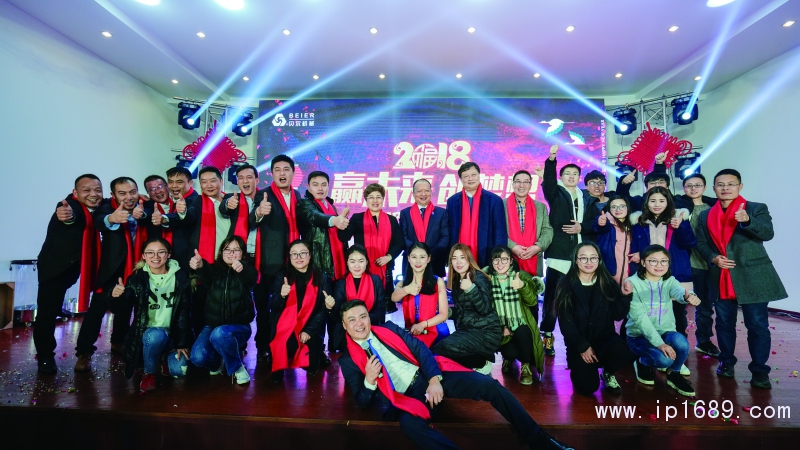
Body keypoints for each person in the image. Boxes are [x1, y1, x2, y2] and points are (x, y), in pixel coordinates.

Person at [338, 300, 573, 450]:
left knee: (489, 385)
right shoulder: (348, 361)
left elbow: (420, 350)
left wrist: (433, 380)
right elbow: (362, 401)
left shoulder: (388, 329)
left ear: (369, 317)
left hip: (430, 375)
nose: (359, 323)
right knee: (409, 426)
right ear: (344, 325)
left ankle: (538, 439)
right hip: (408, 398)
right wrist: (369, 381)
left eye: (363, 316)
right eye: (352, 319)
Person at [695, 169, 787, 389]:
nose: (725, 188)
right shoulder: (705, 215)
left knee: (757, 326)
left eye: (731, 184)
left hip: (753, 275)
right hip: (721, 275)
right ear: (714, 188)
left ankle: (760, 372)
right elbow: (701, 243)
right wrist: (713, 257)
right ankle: (726, 362)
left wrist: (747, 221)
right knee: (724, 323)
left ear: (740, 186)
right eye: (720, 184)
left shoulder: (755, 208)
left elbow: (767, 233)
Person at [74, 177, 147, 372]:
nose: (128, 197)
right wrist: (112, 219)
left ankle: (118, 342)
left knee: (126, 308)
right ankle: (84, 352)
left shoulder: (144, 205)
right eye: (122, 193)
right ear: (113, 195)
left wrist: (144, 214)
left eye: (132, 192)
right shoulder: (106, 207)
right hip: (112, 269)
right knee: (97, 309)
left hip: (139, 268)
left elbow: (152, 216)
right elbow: (100, 221)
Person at [533, 145, 598, 356]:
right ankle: (547, 334)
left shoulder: (585, 197)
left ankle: (580, 338)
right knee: (553, 298)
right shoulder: (556, 193)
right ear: (561, 177)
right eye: (567, 173)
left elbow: (592, 223)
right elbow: (549, 181)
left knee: (580, 298)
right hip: (559, 254)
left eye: (575, 174)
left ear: (579, 178)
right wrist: (551, 159)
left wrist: (582, 228)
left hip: (582, 255)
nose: (571, 176)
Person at [34, 174, 103, 374]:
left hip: (78, 266)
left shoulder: (99, 207)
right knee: (47, 314)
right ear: (75, 192)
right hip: (55, 267)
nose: (93, 194)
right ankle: (45, 357)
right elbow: (71, 217)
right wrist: (68, 216)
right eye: (86, 190)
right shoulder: (69, 206)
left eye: (97, 190)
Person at [629, 187, 696, 378]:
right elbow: (636, 247)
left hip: (676, 273)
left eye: (661, 201)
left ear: (668, 202)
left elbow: (690, 243)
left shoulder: (678, 219)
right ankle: (649, 355)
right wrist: (640, 255)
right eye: (653, 201)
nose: (657, 204)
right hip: (648, 277)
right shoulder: (639, 222)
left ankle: (678, 360)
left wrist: (681, 226)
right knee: (647, 315)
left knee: (678, 317)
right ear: (646, 203)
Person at [110, 238, 191, 392]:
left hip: (173, 334)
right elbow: (121, 309)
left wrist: (182, 343)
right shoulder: (136, 279)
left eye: (161, 252)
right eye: (150, 253)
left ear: (168, 254)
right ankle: (149, 373)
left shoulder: (180, 277)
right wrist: (115, 296)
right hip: (149, 334)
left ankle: (164, 358)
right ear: (143, 256)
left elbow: (184, 311)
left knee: (179, 370)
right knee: (156, 335)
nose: (156, 257)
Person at [555, 243, 635, 396]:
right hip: (579, 341)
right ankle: (584, 367)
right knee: (588, 387)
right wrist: (582, 346)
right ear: (575, 260)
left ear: (599, 260)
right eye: (583, 258)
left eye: (593, 258)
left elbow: (617, 315)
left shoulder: (607, 282)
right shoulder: (565, 285)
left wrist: (625, 297)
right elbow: (566, 323)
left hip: (603, 337)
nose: (589, 262)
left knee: (622, 352)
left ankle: (608, 372)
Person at [625, 245, 701, 397]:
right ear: (643, 262)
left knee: (682, 343)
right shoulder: (632, 283)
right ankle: (642, 362)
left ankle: (674, 373)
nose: (659, 265)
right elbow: (640, 319)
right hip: (639, 336)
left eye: (664, 261)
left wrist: (688, 296)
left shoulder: (669, 281)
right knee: (663, 360)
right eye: (653, 261)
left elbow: (679, 292)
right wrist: (660, 344)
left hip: (665, 332)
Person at [250, 155, 303, 360]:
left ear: (293, 173)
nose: (282, 173)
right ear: (271, 173)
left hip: (292, 263)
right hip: (268, 263)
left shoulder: (297, 195)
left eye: (286, 169)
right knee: (265, 309)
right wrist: (259, 212)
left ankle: (286, 346)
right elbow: (251, 221)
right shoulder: (263, 195)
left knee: (287, 308)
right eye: (278, 169)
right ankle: (263, 346)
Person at [188, 236, 257, 385]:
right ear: (221, 252)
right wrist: (200, 265)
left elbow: (250, 277)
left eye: (236, 250)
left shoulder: (248, 271)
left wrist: (242, 268)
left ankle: (237, 367)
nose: (231, 253)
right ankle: (217, 362)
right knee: (197, 357)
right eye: (227, 249)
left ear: (243, 253)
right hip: (213, 325)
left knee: (220, 333)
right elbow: (206, 273)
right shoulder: (214, 271)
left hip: (239, 327)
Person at [430, 244, 502, 374]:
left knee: (442, 348)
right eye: (454, 258)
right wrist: (447, 312)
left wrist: (471, 288)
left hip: (486, 332)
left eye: (462, 257)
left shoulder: (479, 277)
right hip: (469, 330)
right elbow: (464, 310)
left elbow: (484, 308)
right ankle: (478, 359)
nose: (458, 262)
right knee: (438, 348)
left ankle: (481, 363)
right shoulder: (457, 280)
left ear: (469, 258)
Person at [269, 240, 332, 383]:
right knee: (284, 349)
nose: (298, 257)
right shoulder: (282, 277)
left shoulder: (322, 278)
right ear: (289, 257)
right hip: (286, 325)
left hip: (311, 325)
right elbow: (274, 307)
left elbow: (323, 310)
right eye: (294, 254)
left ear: (310, 255)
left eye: (303, 253)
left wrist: (309, 330)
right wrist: (281, 296)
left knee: (312, 367)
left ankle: (316, 355)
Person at [339, 183, 404, 313]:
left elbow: (400, 243)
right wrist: (343, 218)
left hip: (385, 267)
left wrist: (389, 257)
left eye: (378, 197)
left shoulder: (391, 220)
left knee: (382, 308)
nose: (375, 200)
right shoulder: (357, 218)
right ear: (366, 200)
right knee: (362, 306)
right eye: (371, 197)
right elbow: (343, 237)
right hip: (362, 268)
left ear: (383, 199)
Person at [485, 246, 545, 385]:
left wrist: (522, 286)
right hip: (499, 328)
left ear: (511, 261)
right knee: (510, 352)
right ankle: (508, 359)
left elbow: (532, 301)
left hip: (520, 324)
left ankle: (526, 367)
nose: (500, 264)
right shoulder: (487, 279)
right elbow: (485, 309)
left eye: (504, 259)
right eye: (496, 260)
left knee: (524, 332)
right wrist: (501, 328)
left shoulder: (521, 276)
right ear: (491, 261)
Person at [680, 174, 720, 358]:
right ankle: (679, 342)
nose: (693, 188)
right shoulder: (679, 207)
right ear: (684, 189)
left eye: (697, 185)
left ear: (705, 187)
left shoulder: (714, 207)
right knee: (680, 304)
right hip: (687, 262)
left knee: (705, 305)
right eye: (689, 185)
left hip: (709, 262)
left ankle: (704, 341)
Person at [446, 161, 508, 268]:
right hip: (459, 258)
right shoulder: (452, 201)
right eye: (466, 176)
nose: (470, 179)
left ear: (479, 175)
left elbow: (499, 233)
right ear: (460, 179)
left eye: (473, 175)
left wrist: (498, 258)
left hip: (487, 254)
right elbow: (450, 231)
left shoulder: (494, 200)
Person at [390, 243, 449, 348]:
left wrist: (423, 325)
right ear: (408, 258)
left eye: (422, 257)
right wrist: (407, 289)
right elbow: (394, 298)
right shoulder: (402, 284)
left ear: (428, 259)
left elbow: (444, 314)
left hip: (434, 331)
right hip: (413, 331)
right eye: (414, 257)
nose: (418, 261)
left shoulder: (438, 281)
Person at [297, 170, 350, 280]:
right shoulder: (304, 203)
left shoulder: (330, 204)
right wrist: (334, 220)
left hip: (338, 256)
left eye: (324, 185)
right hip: (319, 260)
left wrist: (342, 219)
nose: (320, 188)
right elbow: (314, 216)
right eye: (315, 185)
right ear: (309, 187)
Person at [331, 244, 386, 351]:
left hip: (371, 327)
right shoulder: (340, 284)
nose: (357, 265)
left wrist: (362, 322)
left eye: (361, 261)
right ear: (347, 263)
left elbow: (380, 310)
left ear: (367, 262)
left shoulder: (376, 280)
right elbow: (339, 313)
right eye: (352, 261)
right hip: (348, 331)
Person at [504, 169, 553, 278]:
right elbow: (496, 230)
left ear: (531, 185)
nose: (522, 185)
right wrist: (512, 246)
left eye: (526, 182)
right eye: (518, 181)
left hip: (534, 260)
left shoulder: (540, 207)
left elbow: (547, 230)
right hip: (507, 260)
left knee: (531, 288)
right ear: (513, 184)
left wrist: (538, 247)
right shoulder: (501, 204)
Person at [399, 179, 450, 277]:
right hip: (411, 262)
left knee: (436, 287)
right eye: (419, 191)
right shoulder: (405, 213)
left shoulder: (441, 213)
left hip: (435, 261)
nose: (423, 194)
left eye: (427, 190)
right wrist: (417, 254)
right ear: (413, 194)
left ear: (431, 192)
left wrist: (428, 255)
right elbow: (403, 237)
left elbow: (445, 237)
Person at [157, 167, 198, 269]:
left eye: (179, 182)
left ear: (190, 183)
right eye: (170, 182)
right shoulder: (172, 199)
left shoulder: (195, 200)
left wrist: (164, 219)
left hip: (187, 257)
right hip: (173, 254)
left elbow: (187, 216)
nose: (174, 186)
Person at [219, 164, 261, 258]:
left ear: (257, 180)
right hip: (238, 253)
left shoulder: (266, 199)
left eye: (249, 177)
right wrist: (228, 204)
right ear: (237, 182)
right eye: (241, 178)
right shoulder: (232, 198)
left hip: (262, 252)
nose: (245, 181)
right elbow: (223, 209)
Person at [593, 196, 634, 286]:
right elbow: (600, 227)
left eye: (622, 206)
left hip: (630, 276)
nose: (618, 209)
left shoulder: (633, 226)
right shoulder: (607, 223)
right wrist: (601, 223)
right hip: (610, 276)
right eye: (614, 207)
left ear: (628, 207)